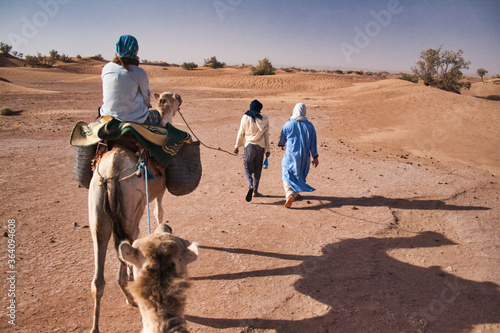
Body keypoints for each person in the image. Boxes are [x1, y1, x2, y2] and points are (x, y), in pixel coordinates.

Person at [100, 35, 165, 126]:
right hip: (134, 118)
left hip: (107, 115)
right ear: (135, 50)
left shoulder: (107, 68)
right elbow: (146, 100)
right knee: (158, 116)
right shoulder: (139, 72)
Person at [278, 103, 319, 208]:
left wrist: (282, 144)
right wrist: (315, 157)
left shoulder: (289, 124)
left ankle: (289, 193)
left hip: (290, 154)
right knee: (299, 174)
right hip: (304, 156)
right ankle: (295, 192)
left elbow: (283, 136)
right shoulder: (310, 126)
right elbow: (313, 143)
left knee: (286, 173)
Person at [234, 100, 270, 201]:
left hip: (249, 145)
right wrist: (267, 150)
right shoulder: (265, 118)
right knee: (258, 169)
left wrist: (236, 146)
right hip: (260, 147)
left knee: (247, 167)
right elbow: (266, 135)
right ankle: (255, 191)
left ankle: (250, 185)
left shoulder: (245, 117)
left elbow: (241, 132)